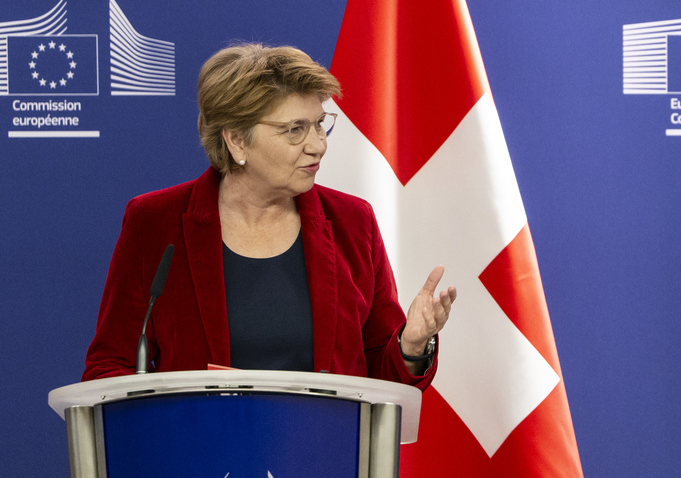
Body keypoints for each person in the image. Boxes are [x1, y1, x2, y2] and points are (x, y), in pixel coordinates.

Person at [83, 44, 456, 385]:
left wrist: (411, 347)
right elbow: (110, 364)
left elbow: (379, 377)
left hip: (324, 451)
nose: (318, 144)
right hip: (197, 451)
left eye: (319, 124)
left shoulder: (353, 222)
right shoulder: (154, 221)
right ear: (237, 139)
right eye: (295, 130)